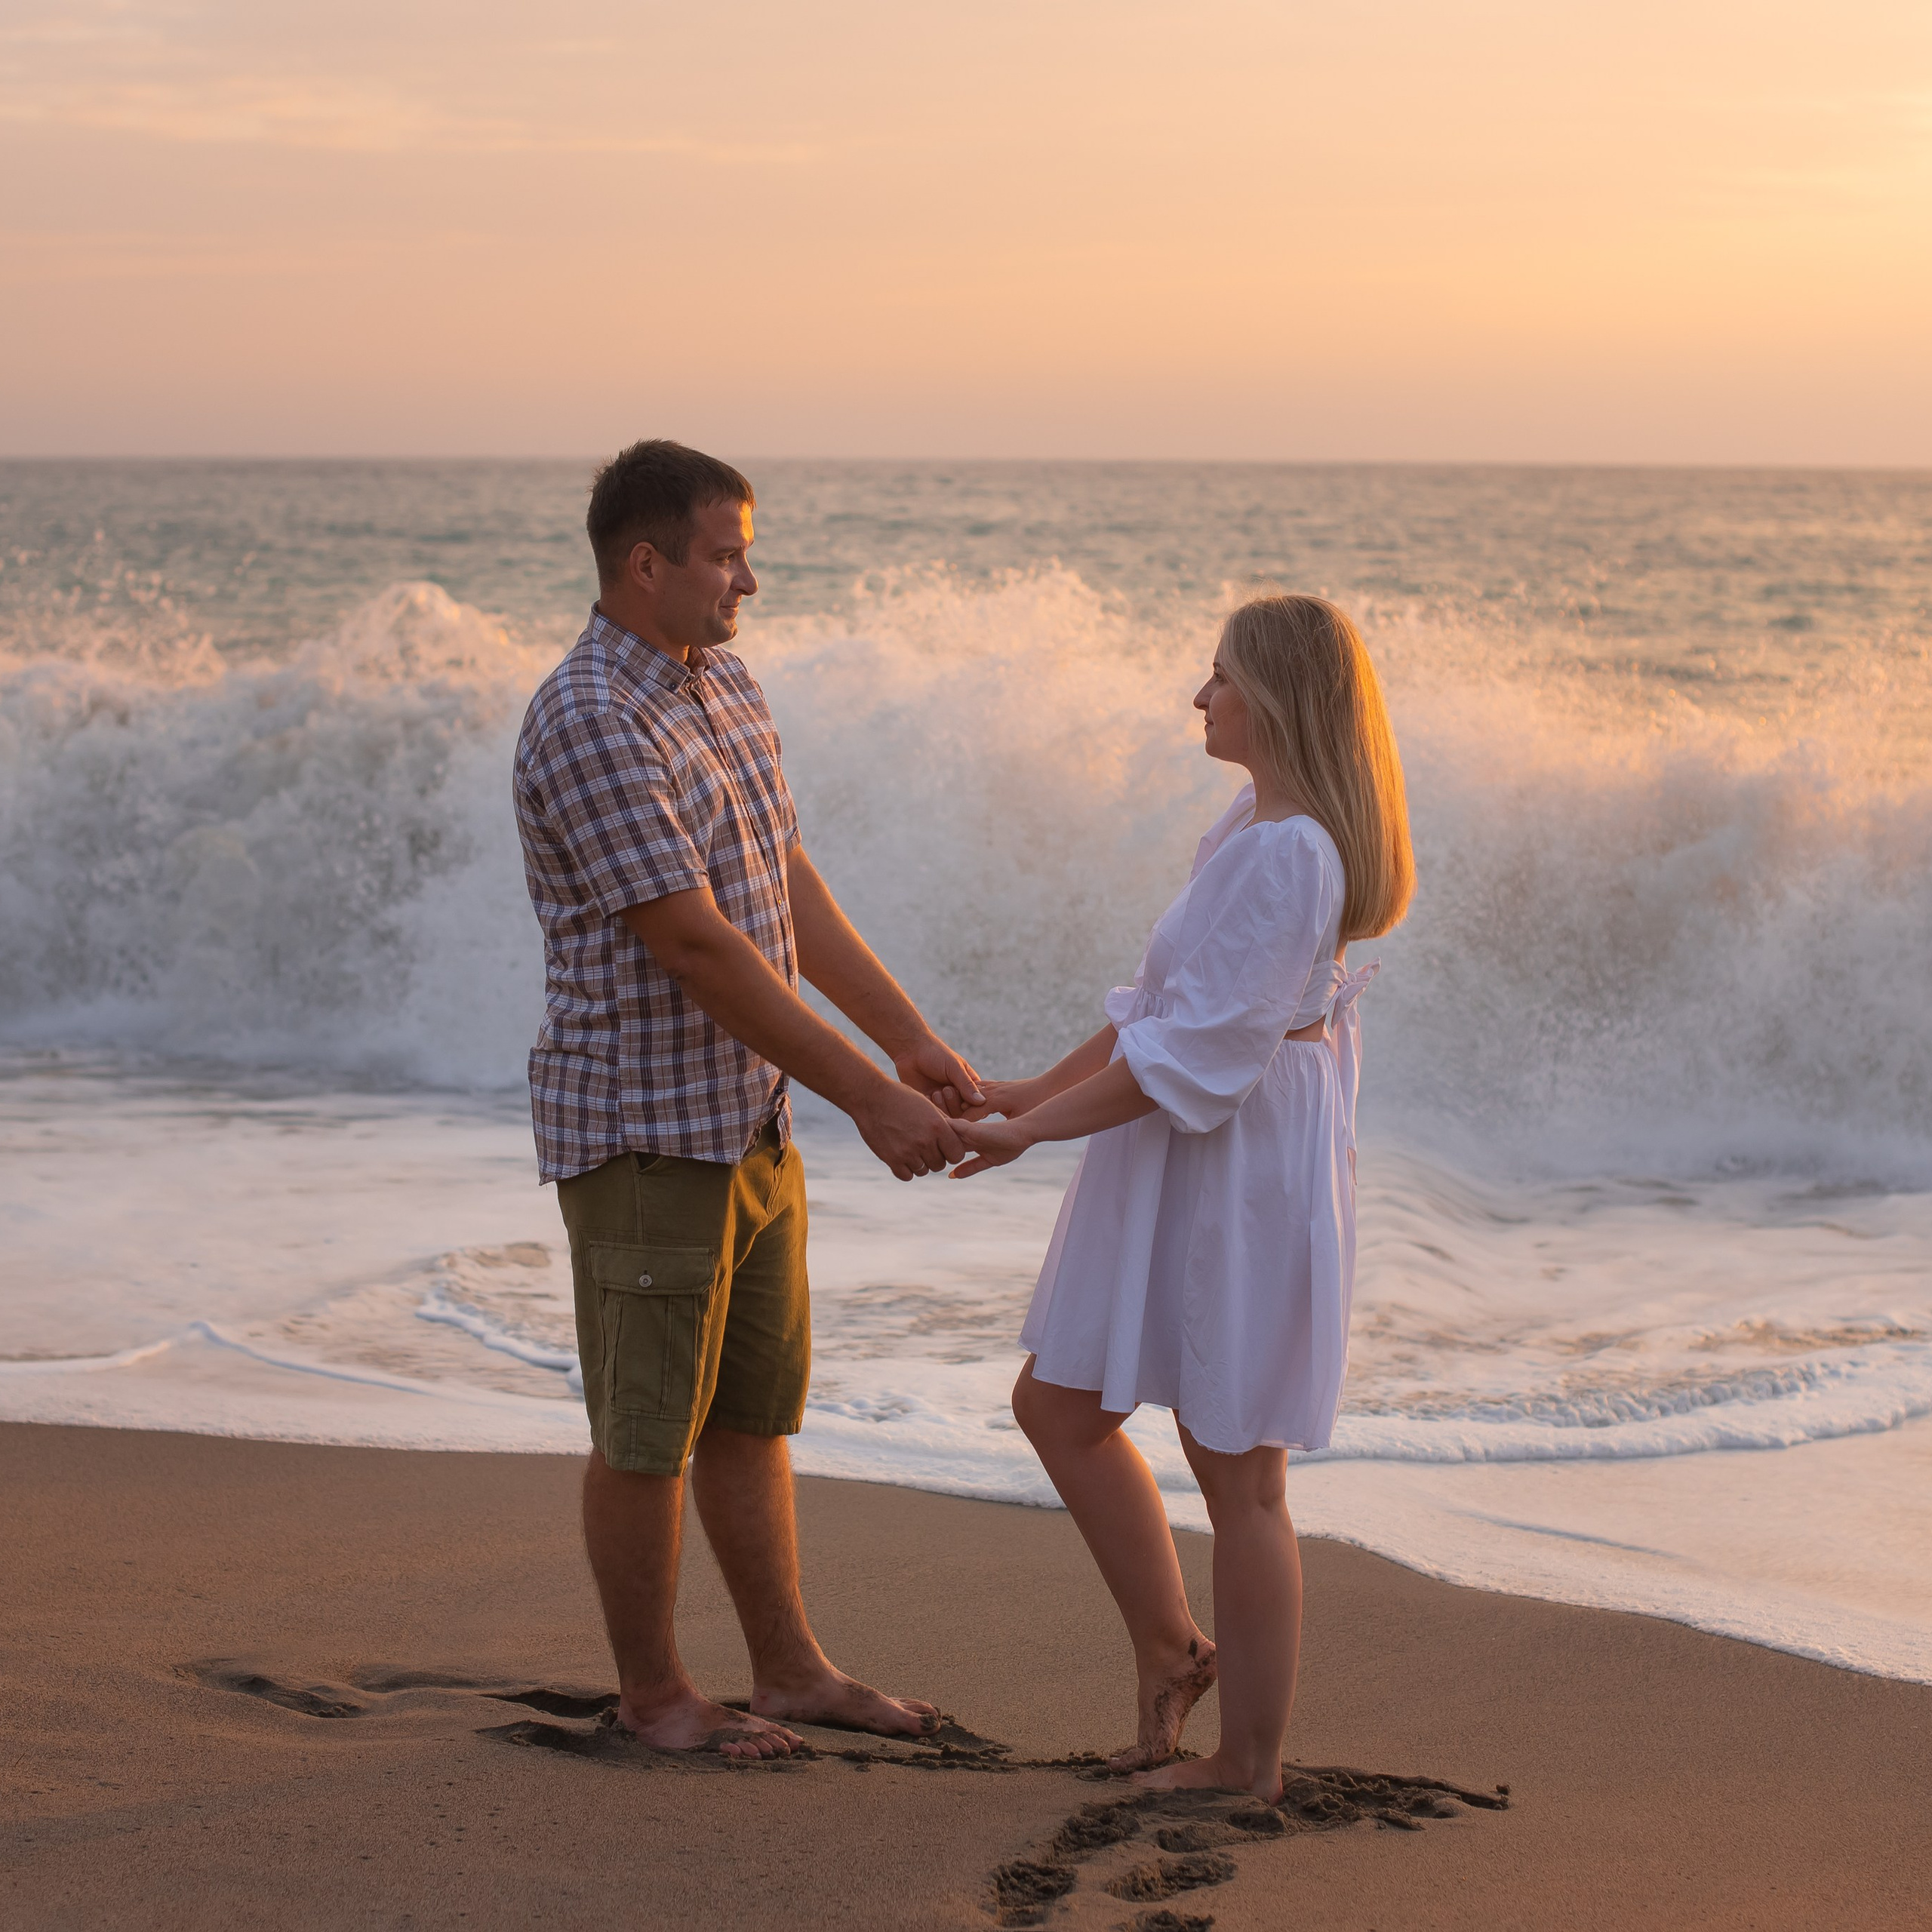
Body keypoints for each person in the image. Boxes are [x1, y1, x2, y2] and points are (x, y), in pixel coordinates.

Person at [513, 439, 984, 1761]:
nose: (749, 580)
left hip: (748, 1122)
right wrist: (865, 1104)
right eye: (725, 554)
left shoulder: (719, 684)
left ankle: (787, 1671)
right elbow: (696, 941)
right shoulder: (591, 715)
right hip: (647, 1130)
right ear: (644, 563)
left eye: (746, 551)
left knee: (751, 1414)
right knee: (647, 1431)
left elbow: (782, 880)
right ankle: (657, 1693)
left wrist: (909, 1047)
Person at [948, 594, 1414, 1800]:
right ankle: (1173, 1647)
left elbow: (1191, 1058)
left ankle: (1247, 1765)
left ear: (1278, 700)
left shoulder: (1295, 850)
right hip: (1189, 1148)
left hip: (1241, 1169)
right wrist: (1024, 1091)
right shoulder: (1246, 825)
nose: (1197, 698)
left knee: (1240, 1474)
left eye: (1218, 677)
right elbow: (1155, 1011)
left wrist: (1028, 1133)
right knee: (1059, 1403)